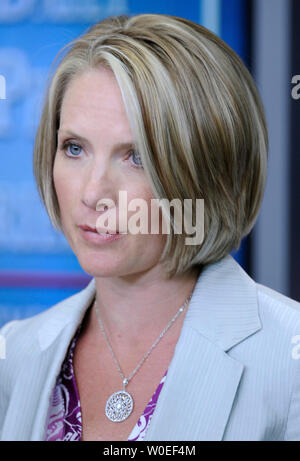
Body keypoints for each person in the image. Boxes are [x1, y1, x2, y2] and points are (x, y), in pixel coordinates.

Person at [1, 13, 300, 442]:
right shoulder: (15, 353)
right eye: (74, 148)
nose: (92, 192)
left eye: (135, 156)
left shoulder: (289, 359)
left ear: (206, 169)